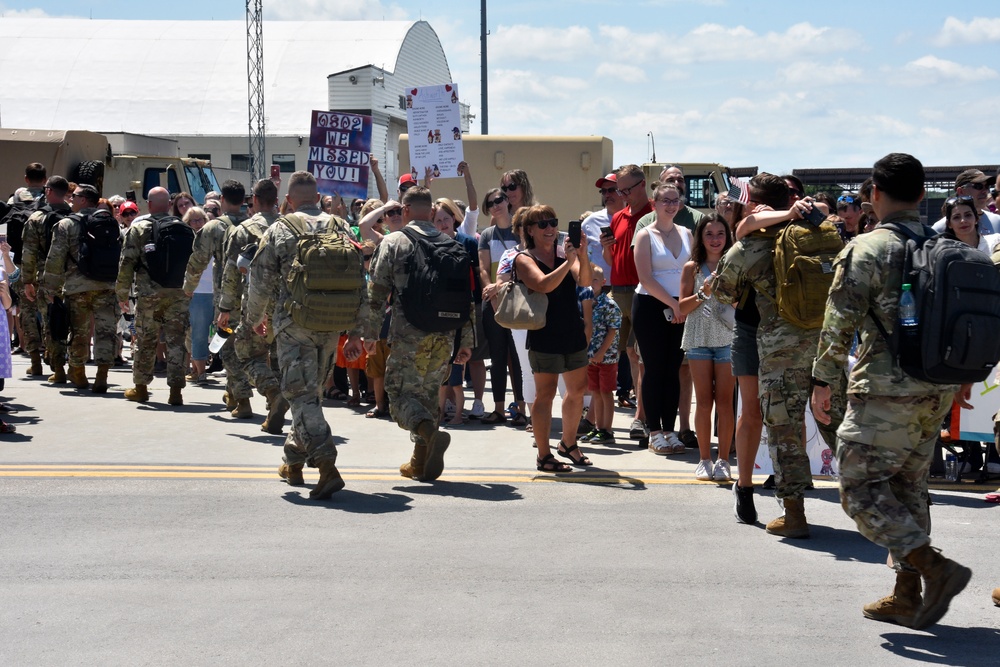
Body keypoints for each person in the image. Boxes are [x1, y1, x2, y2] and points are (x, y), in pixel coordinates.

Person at [812, 152, 973, 630]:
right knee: (908, 488)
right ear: (924, 196)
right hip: (937, 387)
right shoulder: (945, 247)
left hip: (884, 389)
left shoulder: (866, 248)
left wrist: (823, 381)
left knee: (858, 487)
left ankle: (933, 568)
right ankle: (906, 594)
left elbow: (838, 322)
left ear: (874, 196)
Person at [712, 173, 845, 539]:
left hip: (779, 351)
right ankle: (880, 503)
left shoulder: (752, 246)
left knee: (784, 430)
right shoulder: (818, 234)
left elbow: (722, 293)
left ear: (754, 204)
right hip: (824, 343)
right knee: (840, 425)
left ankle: (794, 514)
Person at [246, 171, 362, 499]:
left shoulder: (280, 228)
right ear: (317, 196)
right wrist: (356, 331)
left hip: (292, 326)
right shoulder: (340, 226)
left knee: (300, 395)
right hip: (330, 325)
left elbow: (260, 280)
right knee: (310, 396)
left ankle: (327, 464)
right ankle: (293, 461)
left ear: (290, 200)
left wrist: (255, 319)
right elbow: (359, 280)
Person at [359, 186, 473, 481]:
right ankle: (419, 463)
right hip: (445, 335)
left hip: (409, 334)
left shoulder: (396, 241)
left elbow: (377, 292)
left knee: (398, 397)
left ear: (406, 210)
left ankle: (429, 432)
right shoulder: (451, 244)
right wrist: (466, 342)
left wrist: (369, 334)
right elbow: (467, 299)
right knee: (424, 396)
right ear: (432, 212)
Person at [514, 205, 592, 472]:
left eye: (553, 222)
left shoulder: (564, 254)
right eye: (543, 224)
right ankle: (544, 455)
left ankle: (568, 443)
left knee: (577, 391)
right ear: (531, 230)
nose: (550, 229)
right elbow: (543, 285)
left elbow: (585, 281)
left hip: (571, 330)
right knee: (545, 395)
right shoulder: (523, 258)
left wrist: (582, 254)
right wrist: (569, 262)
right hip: (543, 333)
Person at [219, 179, 290, 433]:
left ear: (255, 200)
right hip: (288, 304)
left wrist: (225, 308)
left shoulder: (244, 230)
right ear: (276, 199)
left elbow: (231, 272)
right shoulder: (289, 227)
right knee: (280, 358)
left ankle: (273, 393)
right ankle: (276, 412)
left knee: (247, 354)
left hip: (256, 304)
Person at [632, 183, 693, 455]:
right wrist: (672, 304)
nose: (670, 205)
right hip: (650, 306)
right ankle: (654, 431)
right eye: (665, 200)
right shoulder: (645, 235)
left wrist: (684, 305)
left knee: (674, 370)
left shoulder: (688, 234)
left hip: (682, 308)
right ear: (654, 203)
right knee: (654, 370)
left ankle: (670, 430)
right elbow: (645, 277)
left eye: (675, 200)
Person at [116, 187, 191, 405]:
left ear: (148, 205)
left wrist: (121, 293)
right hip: (178, 292)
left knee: (146, 341)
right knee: (176, 342)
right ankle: (176, 391)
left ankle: (141, 388)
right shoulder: (184, 228)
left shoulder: (138, 229)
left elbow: (126, 263)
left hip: (149, 294)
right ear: (169, 205)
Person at [183, 180, 250, 417]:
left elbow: (197, 261)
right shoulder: (254, 224)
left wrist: (188, 288)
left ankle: (241, 398)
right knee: (252, 350)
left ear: (222, 200)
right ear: (243, 200)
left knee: (229, 348)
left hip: (226, 301)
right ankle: (234, 393)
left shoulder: (213, 228)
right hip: (256, 298)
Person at [42, 183, 118, 393]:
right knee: (105, 331)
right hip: (107, 285)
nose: (71, 199)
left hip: (78, 287)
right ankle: (102, 374)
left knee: (79, 331)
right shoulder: (109, 222)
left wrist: (51, 288)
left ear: (84, 199)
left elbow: (55, 258)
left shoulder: (67, 224)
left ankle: (79, 372)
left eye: (74, 196)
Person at [679, 213, 735, 481]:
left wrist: (724, 291)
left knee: (725, 402)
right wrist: (704, 292)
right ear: (700, 237)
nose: (715, 239)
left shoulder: (735, 265)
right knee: (703, 402)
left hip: (727, 339)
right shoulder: (692, 267)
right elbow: (682, 307)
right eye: (709, 234)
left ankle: (724, 460)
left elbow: (745, 306)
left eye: (720, 234)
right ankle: (704, 459)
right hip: (699, 339)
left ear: (728, 236)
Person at [601, 164, 652, 441]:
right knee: (609, 352)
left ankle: (640, 418)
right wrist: (607, 248)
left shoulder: (654, 213)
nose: (621, 195)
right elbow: (610, 261)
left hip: (641, 291)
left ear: (642, 185)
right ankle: (600, 417)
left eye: (625, 190)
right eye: (618, 190)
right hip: (617, 290)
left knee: (635, 354)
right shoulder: (619, 217)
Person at [478, 187, 526, 425]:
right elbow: (484, 268)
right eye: (490, 203)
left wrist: (499, 289)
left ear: (508, 201)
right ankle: (498, 408)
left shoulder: (521, 232)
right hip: (494, 302)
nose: (495, 205)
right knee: (497, 357)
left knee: (518, 357)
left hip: (518, 300)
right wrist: (491, 291)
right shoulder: (487, 234)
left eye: (498, 200)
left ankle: (521, 408)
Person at [20, 175, 70, 378]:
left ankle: (41, 364)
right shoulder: (75, 217)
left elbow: (29, 253)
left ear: (48, 191)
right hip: (72, 279)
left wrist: (27, 281)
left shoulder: (37, 218)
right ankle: (67, 366)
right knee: (69, 322)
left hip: (44, 278)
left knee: (42, 319)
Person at [580, 265, 620, 445]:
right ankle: (597, 427)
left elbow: (613, 331)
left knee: (606, 392)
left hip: (607, 357)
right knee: (595, 391)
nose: (591, 283)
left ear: (603, 283)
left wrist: (601, 353)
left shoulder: (609, 304)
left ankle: (607, 430)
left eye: (595, 280)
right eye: (588, 280)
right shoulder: (586, 302)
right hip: (591, 357)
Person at [182, 206, 212, 384]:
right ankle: (200, 372)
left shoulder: (213, 237)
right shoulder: (187, 240)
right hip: (197, 291)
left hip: (214, 290)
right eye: (193, 220)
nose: (197, 223)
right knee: (197, 334)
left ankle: (198, 369)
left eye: (200, 219)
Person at [931, 168, 1000, 235]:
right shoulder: (939, 229)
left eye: (987, 186)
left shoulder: (997, 221)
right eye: (978, 186)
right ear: (961, 191)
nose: (985, 191)